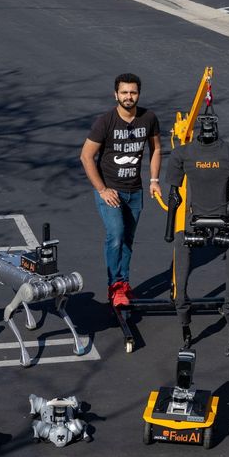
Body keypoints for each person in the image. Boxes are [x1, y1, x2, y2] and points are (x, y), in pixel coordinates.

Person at [165, 114, 229, 356]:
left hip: (223, 224)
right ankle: (185, 327)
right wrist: (171, 231)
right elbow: (174, 196)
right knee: (179, 284)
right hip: (196, 224)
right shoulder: (183, 154)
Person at [80, 73, 161, 307]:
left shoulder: (149, 118)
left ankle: (123, 284)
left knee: (127, 239)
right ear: (115, 94)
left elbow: (156, 149)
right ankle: (114, 285)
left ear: (139, 94)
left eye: (133, 92)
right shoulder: (105, 122)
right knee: (115, 236)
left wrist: (154, 180)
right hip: (110, 191)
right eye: (124, 92)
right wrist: (103, 189)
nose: (128, 97)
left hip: (135, 191)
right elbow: (86, 156)